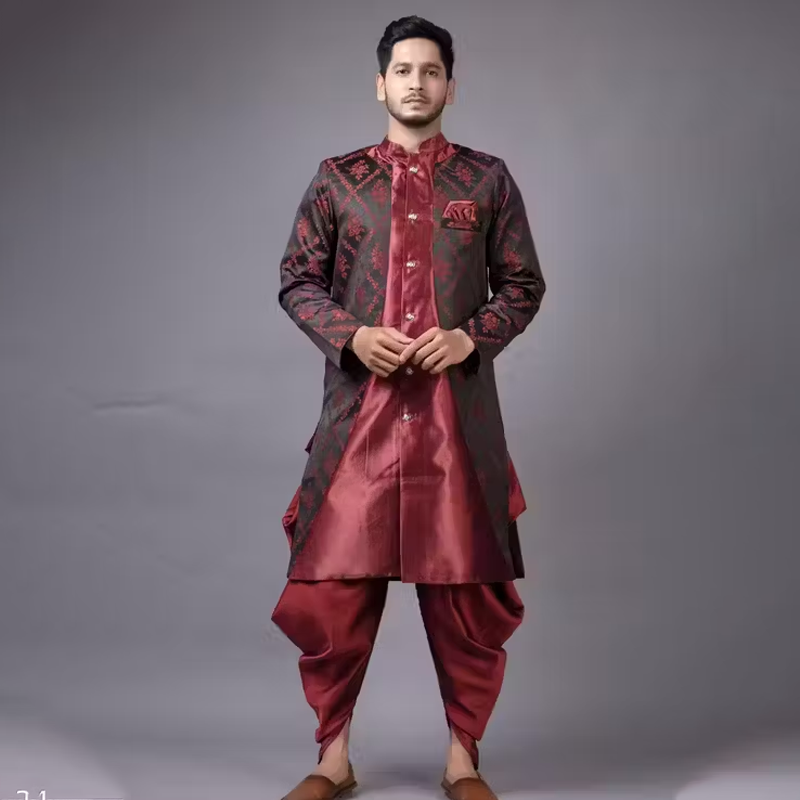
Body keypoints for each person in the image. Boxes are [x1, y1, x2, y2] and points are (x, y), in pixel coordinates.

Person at [272, 14, 546, 800]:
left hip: (456, 426)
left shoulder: (487, 180)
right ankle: (333, 760)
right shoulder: (337, 180)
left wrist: (469, 338)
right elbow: (297, 280)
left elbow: (523, 284)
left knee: (465, 598)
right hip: (357, 423)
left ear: (450, 87)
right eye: (403, 70)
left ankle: (463, 762)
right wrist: (353, 337)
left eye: (431, 71)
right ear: (380, 84)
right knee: (332, 597)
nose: (417, 83)